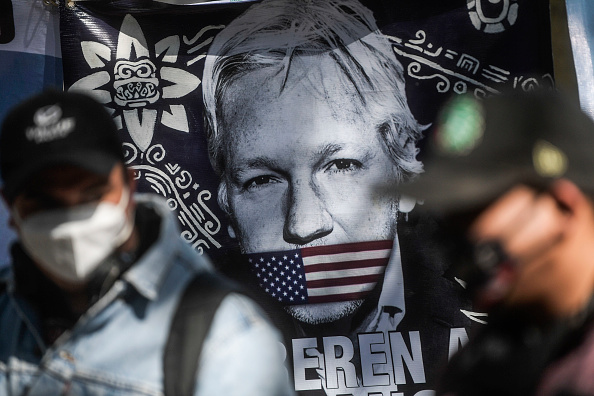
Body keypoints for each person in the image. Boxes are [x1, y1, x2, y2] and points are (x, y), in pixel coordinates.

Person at [202, 0, 471, 393]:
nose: (303, 224)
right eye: (262, 180)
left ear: (401, 167)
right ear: (226, 197)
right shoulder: (177, 330)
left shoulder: (497, 309)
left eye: (340, 166)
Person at [0, 90, 293, 396]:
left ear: (129, 185)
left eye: (92, 194)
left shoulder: (224, 340)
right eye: (45, 203)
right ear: (10, 207)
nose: (71, 222)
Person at [400, 90, 594, 396]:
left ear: (564, 208)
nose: (460, 269)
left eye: (481, 249)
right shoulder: (493, 356)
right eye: (449, 242)